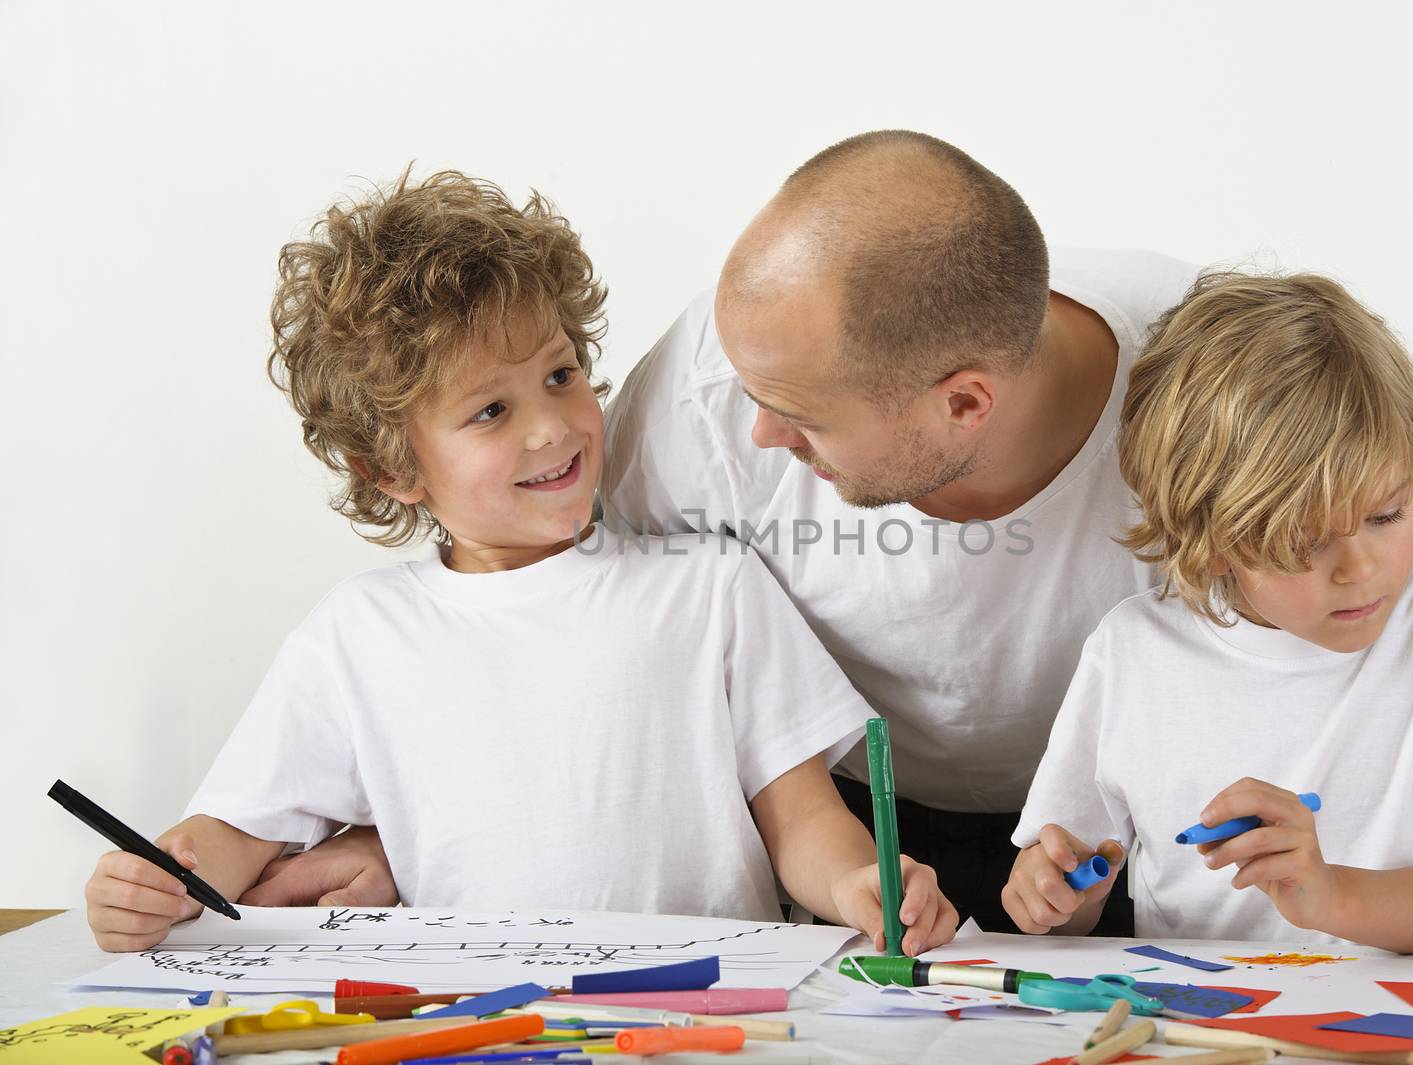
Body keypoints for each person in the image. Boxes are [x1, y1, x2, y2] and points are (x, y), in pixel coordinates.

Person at [251, 132, 1413, 957]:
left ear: (964, 403)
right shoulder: (713, 399)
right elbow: (561, 620)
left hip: (1145, 843)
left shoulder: (1212, 382)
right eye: (748, 384)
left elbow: (1395, 622)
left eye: (803, 417)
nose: (759, 433)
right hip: (859, 835)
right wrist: (409, 820)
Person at [81, 169, 958, 954]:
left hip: (714, 1009)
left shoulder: (712, 588)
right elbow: (236, 834)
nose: (552, 425)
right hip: (476, 1016)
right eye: (490, 411)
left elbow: (802, 818)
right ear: (391, 468)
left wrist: (857, 886)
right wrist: (157, 881)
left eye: (560, 373)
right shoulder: (360, 633)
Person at [1005, 272, 1413, 950]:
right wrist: (1053, 892)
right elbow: (1068, 887)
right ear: (1212, 539)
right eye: (1305, 542)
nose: (1360, 567)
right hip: (1195, 1034)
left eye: (1386, 513)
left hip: (1399, 1039)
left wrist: (1332, 893)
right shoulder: (1130, 651)